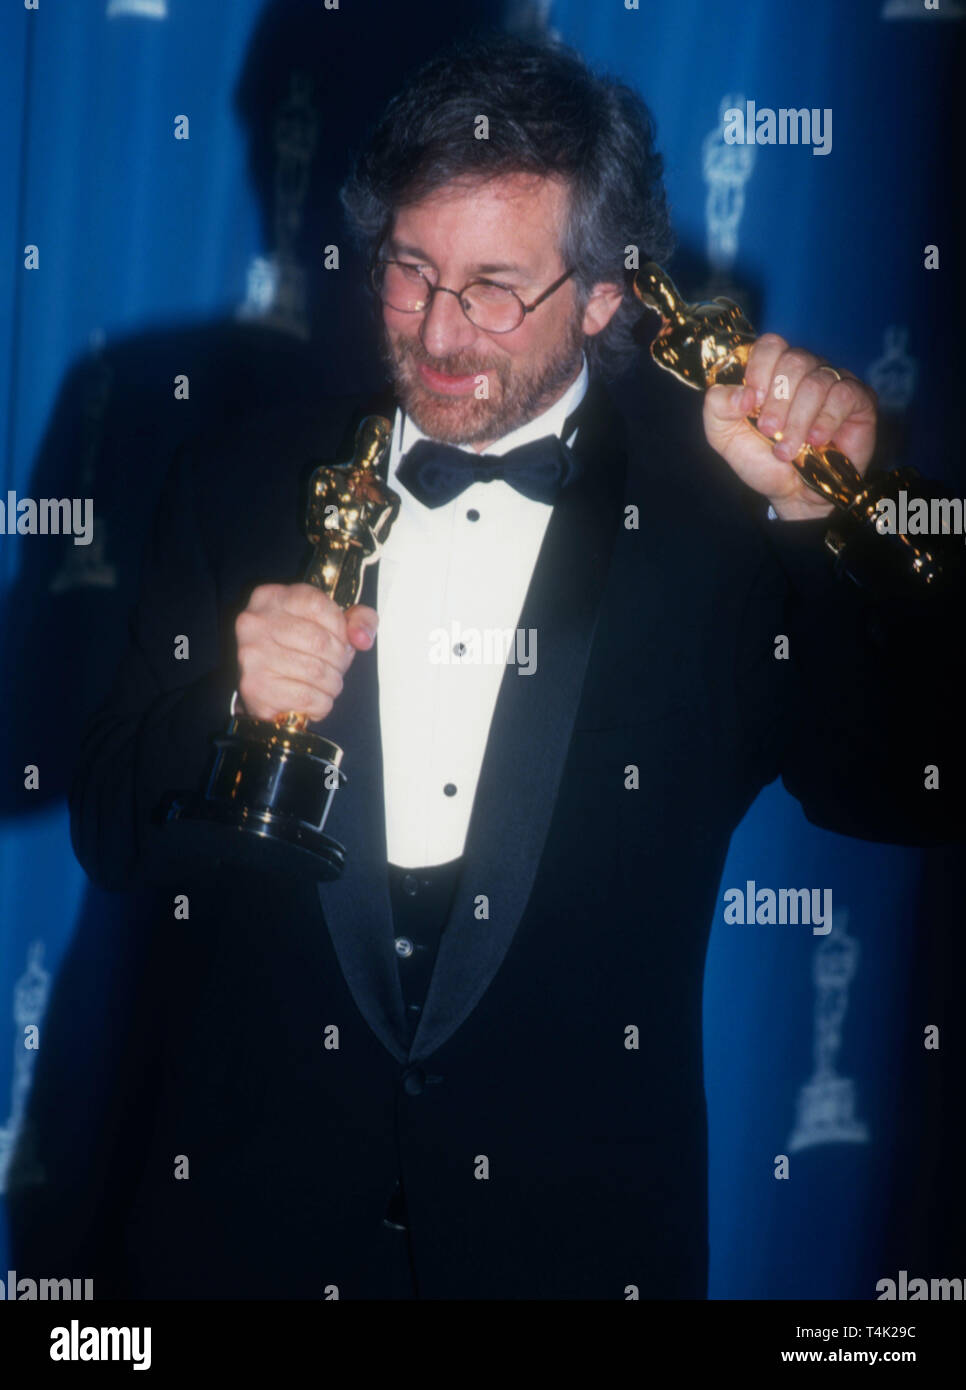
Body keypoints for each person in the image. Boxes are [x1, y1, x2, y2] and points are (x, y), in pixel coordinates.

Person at [65, 34, 962, 1299]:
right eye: (410, 270)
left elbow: (908, 787)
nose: (437, 332)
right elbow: (105, 822)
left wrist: (826, 526)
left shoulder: (713, 526)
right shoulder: (235, 480)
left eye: (496, 287)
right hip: (236, 1250)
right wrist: (226, 705)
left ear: (602, 295)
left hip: (576, 1258)